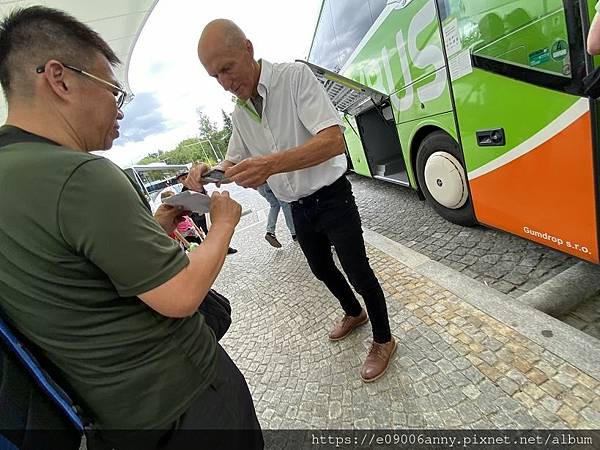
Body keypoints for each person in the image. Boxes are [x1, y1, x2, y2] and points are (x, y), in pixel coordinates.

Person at [0, 7, 262, 449]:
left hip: (118, 421)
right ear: (60, 79)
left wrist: (157, 226)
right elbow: (180, 295)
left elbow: (83, 281)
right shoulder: (80, 175)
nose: (118, 111)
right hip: (186, 400)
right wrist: (222, 223)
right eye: (112, 91)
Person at [189, 19, 395, 382]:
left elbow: (333, 141)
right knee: (320, 269)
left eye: (227, 68)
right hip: (296, 206)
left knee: (358, 270)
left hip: (332, 195)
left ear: (248, 49)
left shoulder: (294, 78)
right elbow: (233, 159)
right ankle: (354, 312)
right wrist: (208, 171)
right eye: (214, 76)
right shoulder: (240, 112)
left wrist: (270, 163)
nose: (224, 82)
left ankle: (384, 339)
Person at [176, 171, 238, 254]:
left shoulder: (197, 186)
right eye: (182, 179)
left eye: (186, 177)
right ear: (179, 181)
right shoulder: (183, 193)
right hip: (194, 217)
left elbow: (206, 197)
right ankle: (212, 251)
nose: (185, 180)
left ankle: (225, 248)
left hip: (206, 213)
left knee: (214, 231)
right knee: (202, 235)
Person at [256, 182, 296, 248]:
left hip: (260, 186)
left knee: (274, 205)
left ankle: (270, 231)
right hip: (271, 182)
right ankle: (294, 232)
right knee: (285, 204)